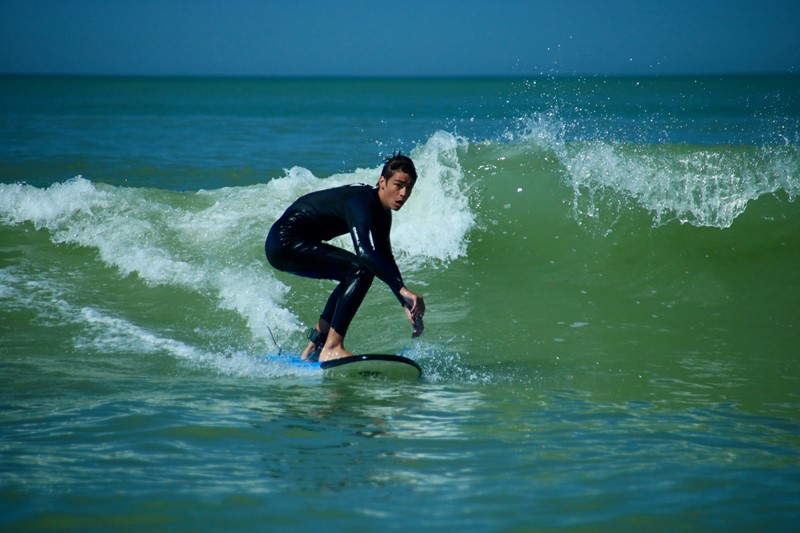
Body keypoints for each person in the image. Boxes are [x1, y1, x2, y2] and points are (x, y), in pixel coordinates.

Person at [265, 153, 425, 362]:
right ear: (382, 182)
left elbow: (385, 257)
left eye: (409, 188)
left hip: (292, 242)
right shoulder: (361, 201)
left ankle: (316, 345)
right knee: (360, 269)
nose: (403, 193)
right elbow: (365, 252)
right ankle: (332, 347)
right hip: (284, 241)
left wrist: (404, 301)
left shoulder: (382, 213)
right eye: (399, 185)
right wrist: (404, 291)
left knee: (351, 273)